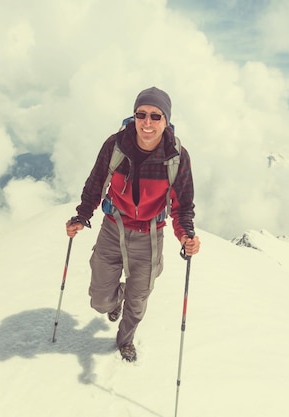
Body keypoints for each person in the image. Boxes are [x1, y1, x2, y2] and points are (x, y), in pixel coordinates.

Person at [65, 86, 200, 362]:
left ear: (166, 120)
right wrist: (82, 216)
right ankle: (118, 297)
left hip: (150, 235)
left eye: (155, 116)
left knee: (137, 304)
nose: (147, 123)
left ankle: (124, 341)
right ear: (134, 116)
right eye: (141, 115)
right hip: (113, 227)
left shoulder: (175, 157)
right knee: (100, 301)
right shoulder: (116, 146)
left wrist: (186, 235)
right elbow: (95, 184)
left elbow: (182, 205)